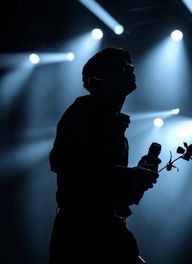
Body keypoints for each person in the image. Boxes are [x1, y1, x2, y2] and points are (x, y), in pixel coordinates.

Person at [48, 47, 159, 264]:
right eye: (124, 67)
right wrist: (128, 176)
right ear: (99, 75)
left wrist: (136, 180)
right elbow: (61, 161)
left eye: (132, 67)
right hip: (82, 234)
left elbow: (109, 188)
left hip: (106, 231)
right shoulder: (84, 110)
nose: (132, 70)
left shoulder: (114, 124)